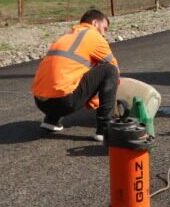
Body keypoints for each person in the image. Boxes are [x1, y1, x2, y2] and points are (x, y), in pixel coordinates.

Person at [31, 9, 119, 141]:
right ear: (95, 23)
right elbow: (114, 70)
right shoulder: (94, 37)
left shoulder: (66, 37)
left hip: (41, 102)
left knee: (64, 76)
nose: (104, 34)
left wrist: (93, 99)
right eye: (104, 28)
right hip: (63, 101)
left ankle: (51, 120)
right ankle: (105, 129)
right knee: (110, 69)